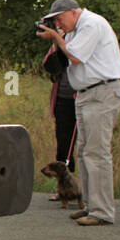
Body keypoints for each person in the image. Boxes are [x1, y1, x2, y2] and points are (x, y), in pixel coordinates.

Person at [36, 0, 120, 226]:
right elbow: (59, 63)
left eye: (59, 18)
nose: (58, 23)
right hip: (86, 94)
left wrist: (56, 37)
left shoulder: (91, 24)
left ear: (74, 12)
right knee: (85, 152)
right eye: (54, 21)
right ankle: (89, 205)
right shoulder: (74, 31)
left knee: (97, 153)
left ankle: (102, 212)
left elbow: (75, 57)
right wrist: (58, 39)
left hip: (102, 92)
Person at [41, 42, 77, 174]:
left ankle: (84, 186)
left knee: (87, 148)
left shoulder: (84, 39)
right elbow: (48, 65)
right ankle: (64, 188)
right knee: (63, 147)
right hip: (62, 98)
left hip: (81, 97)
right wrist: (56, 43)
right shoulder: (59, 42)